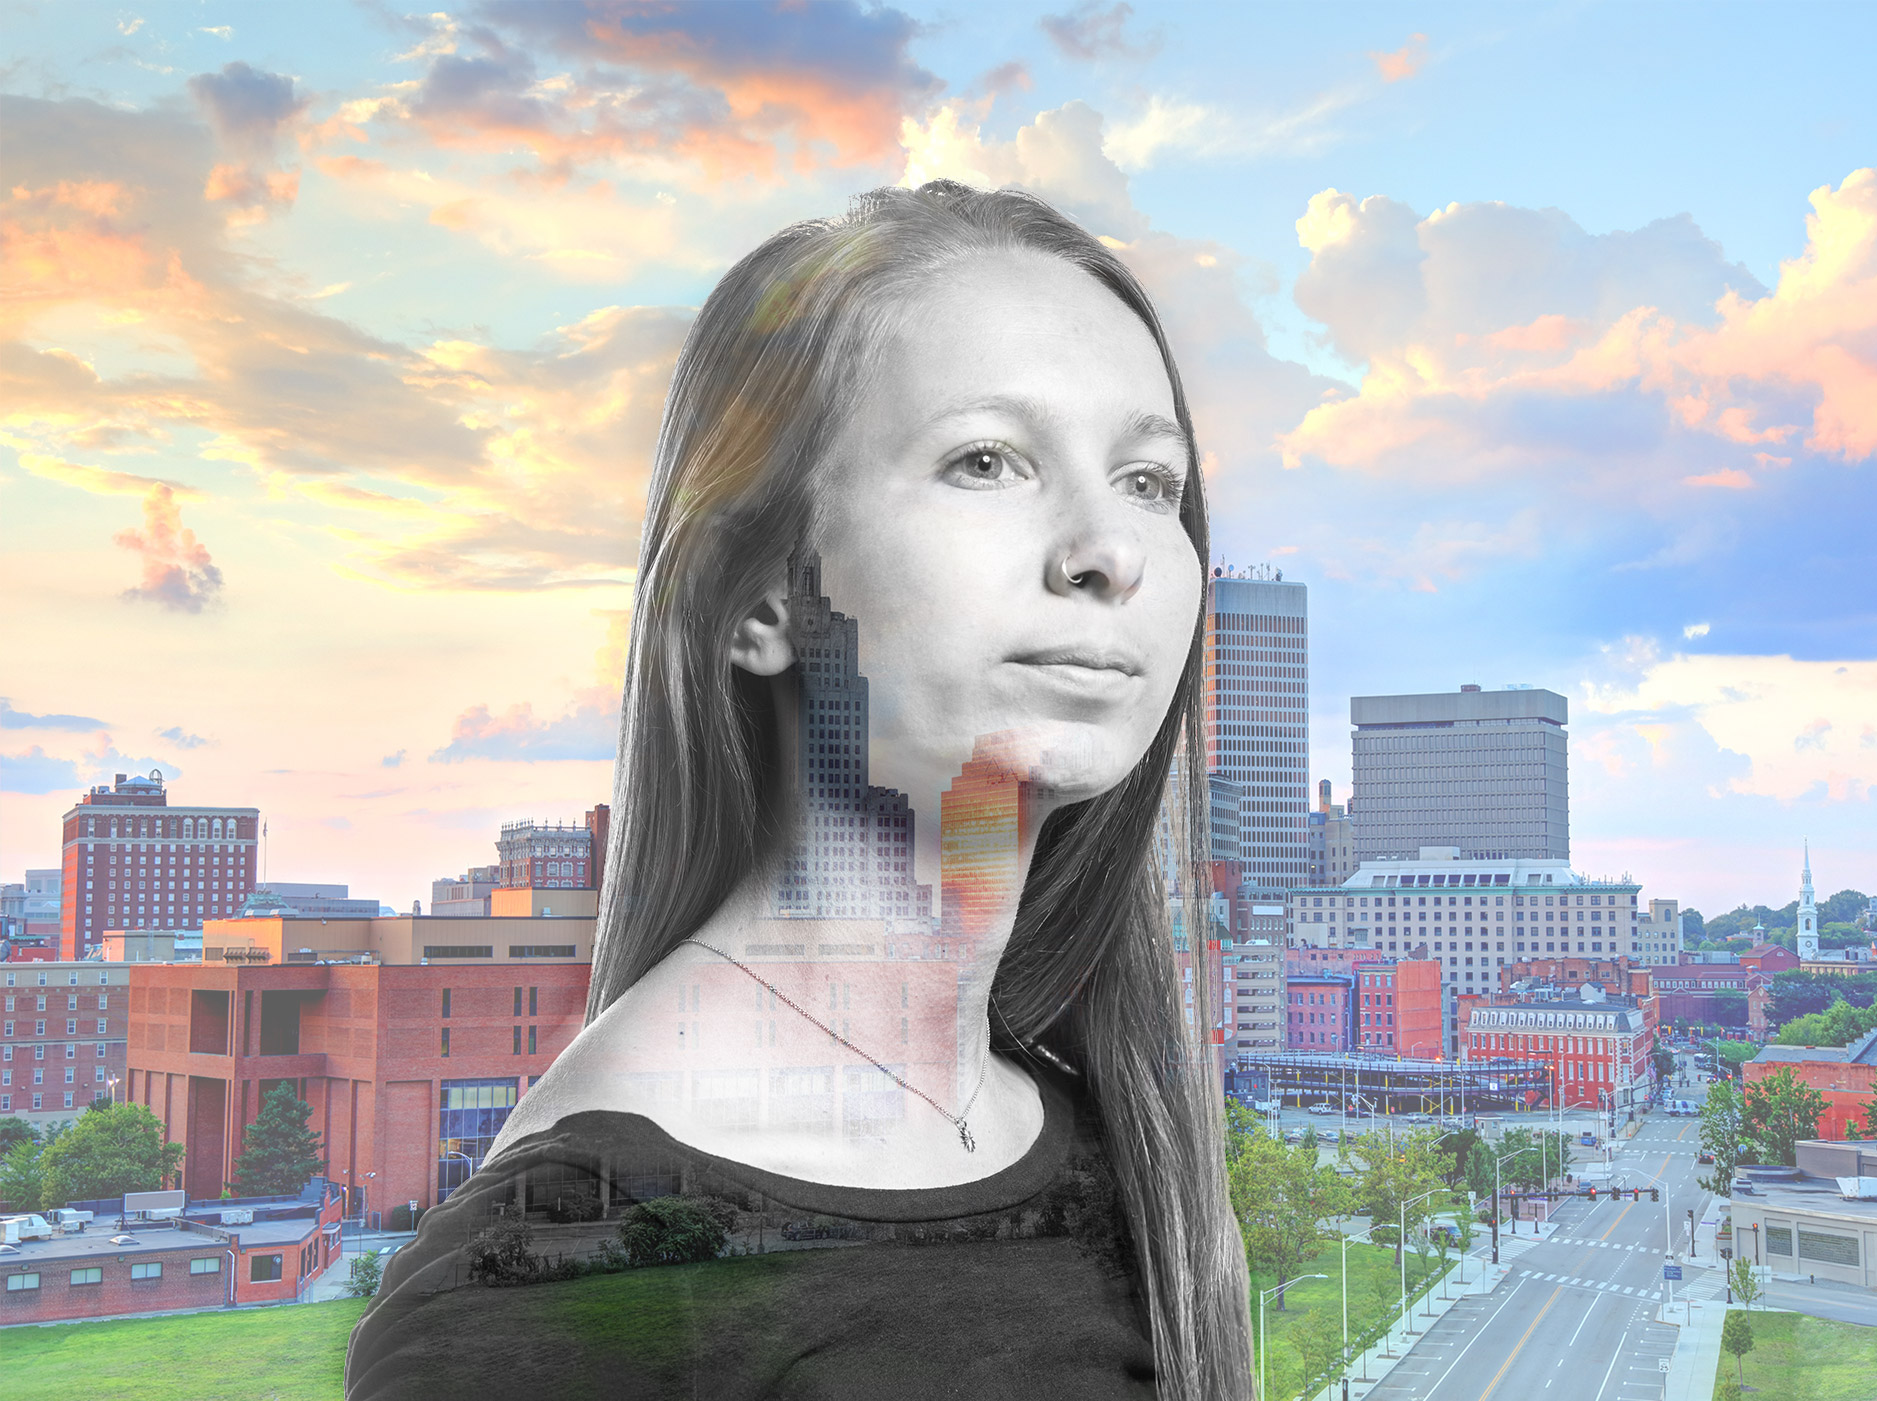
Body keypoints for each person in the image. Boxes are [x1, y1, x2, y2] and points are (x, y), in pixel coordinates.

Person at [344, 180, 1253, 1400]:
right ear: (762, 593)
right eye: (986, 460)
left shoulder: (1104, 1138)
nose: (1111, 549)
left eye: (1149, 481)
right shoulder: (559, 1283)